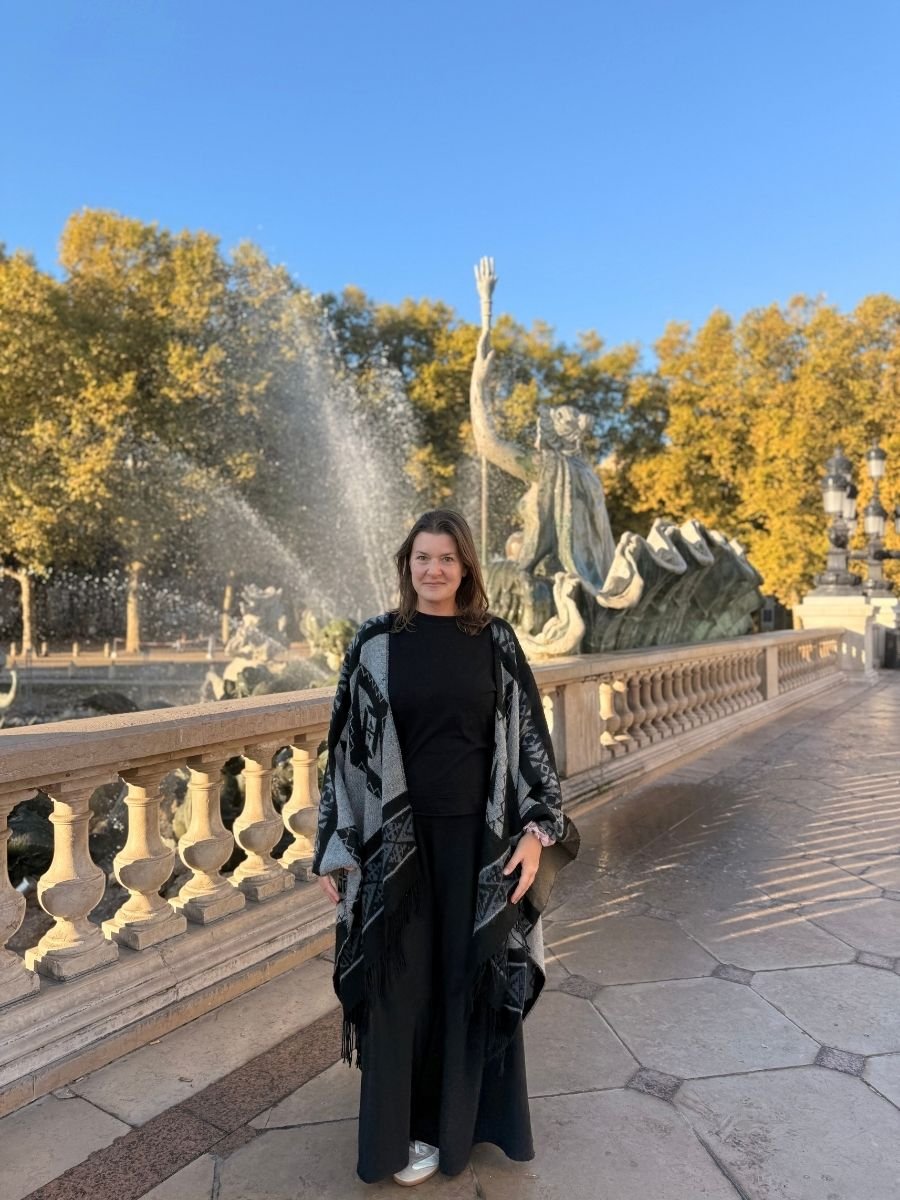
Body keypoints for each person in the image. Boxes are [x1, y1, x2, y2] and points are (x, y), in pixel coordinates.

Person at [312, 508, 579, 1186]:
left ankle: (456, 1129)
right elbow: (342, 751)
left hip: (478, 842)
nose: (433, 570)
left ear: (466, 569)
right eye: (422, 558)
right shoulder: (374, 642)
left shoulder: (495, 641)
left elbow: (532, 749)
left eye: (447, 559)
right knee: (400, 984)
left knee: (467, 978)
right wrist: (338, 844)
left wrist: (535, 834)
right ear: (407, 565)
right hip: (391, 845)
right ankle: (397, 1137)